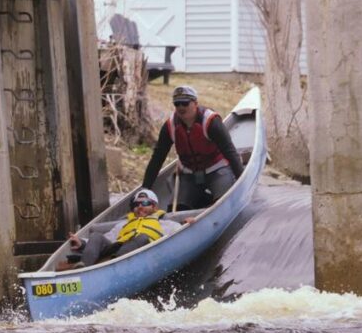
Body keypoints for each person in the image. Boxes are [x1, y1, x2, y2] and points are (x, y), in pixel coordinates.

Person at [143, 85, 244, 210]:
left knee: (222, 205)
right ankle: (203, 199)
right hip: (189, 173)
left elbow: (230, 151)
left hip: (217, 170)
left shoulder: (211, 121)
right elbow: (157, 158)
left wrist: (242, 180)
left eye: (185, 103)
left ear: (195, 103)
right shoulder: (170, 126)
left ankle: (210, 199)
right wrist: (145, 189)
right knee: (177, 209)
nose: (181, 107)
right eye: (177, 104)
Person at [57, 189, 186, 271]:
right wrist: (82, 243)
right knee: (96, 235)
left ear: (155, 207)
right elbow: (106, 239)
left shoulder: (165, 224)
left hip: (142, 254)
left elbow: (181, 232)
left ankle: (112, 266)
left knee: (142, 238)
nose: (140, 207)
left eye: (145, 203)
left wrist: (188, 223)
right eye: (136, 204)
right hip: (117, 249)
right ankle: (83, 268)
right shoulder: (123, 225)